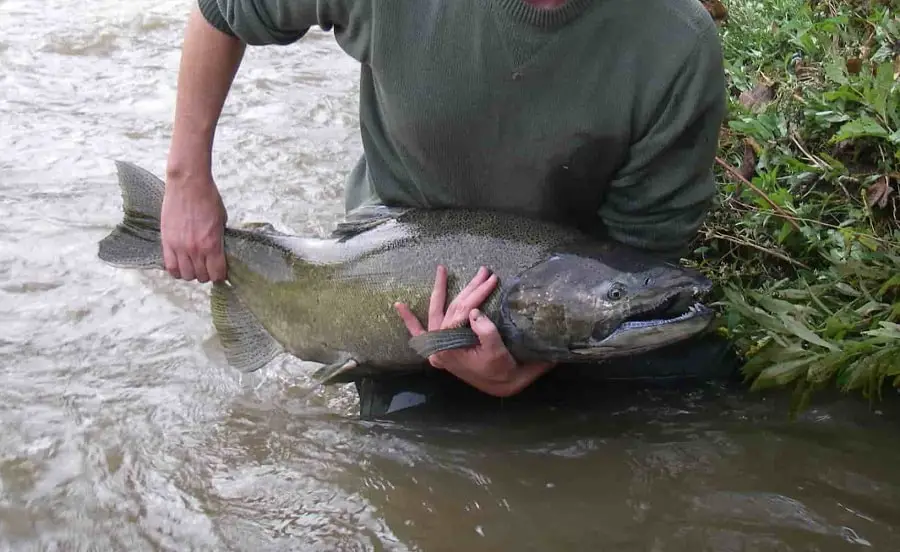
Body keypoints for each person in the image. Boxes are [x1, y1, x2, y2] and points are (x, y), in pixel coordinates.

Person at [161, 0, 736, 417]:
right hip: (388, 261)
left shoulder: (675, 42)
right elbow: (221, 11)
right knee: (419, 454)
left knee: (703, 397)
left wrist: (524, 371)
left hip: (560, 291)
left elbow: (644, 251)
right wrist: (187, 181)